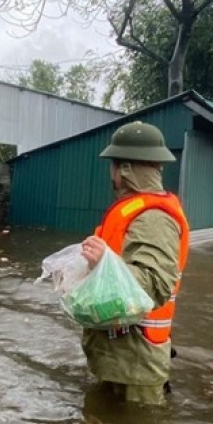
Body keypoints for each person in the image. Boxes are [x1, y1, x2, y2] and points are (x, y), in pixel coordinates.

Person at [78, 121, 191, 406]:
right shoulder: (135, 211)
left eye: (113, 166)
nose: (111, 174)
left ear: (125, 169)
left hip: (136, 362)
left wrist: (103, 262)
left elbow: (154, 285)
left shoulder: (153, 218)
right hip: (121, 356)